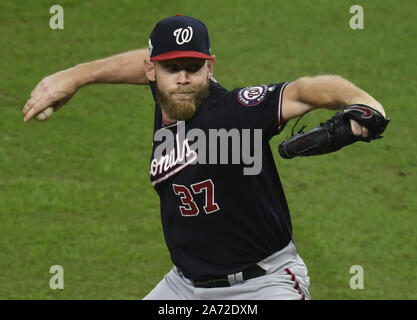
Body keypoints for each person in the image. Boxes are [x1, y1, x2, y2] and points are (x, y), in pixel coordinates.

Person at [23, 15, 386, 300]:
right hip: (184, 287)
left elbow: (306, 91)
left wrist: (364, 103)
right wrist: (74, 77)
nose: (183, 78)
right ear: (152, 72)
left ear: (209, 67)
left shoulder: (237, 111)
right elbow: (142, 60)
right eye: (171, 68)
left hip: (262, 285)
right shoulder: (164, 92)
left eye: (194, 68)